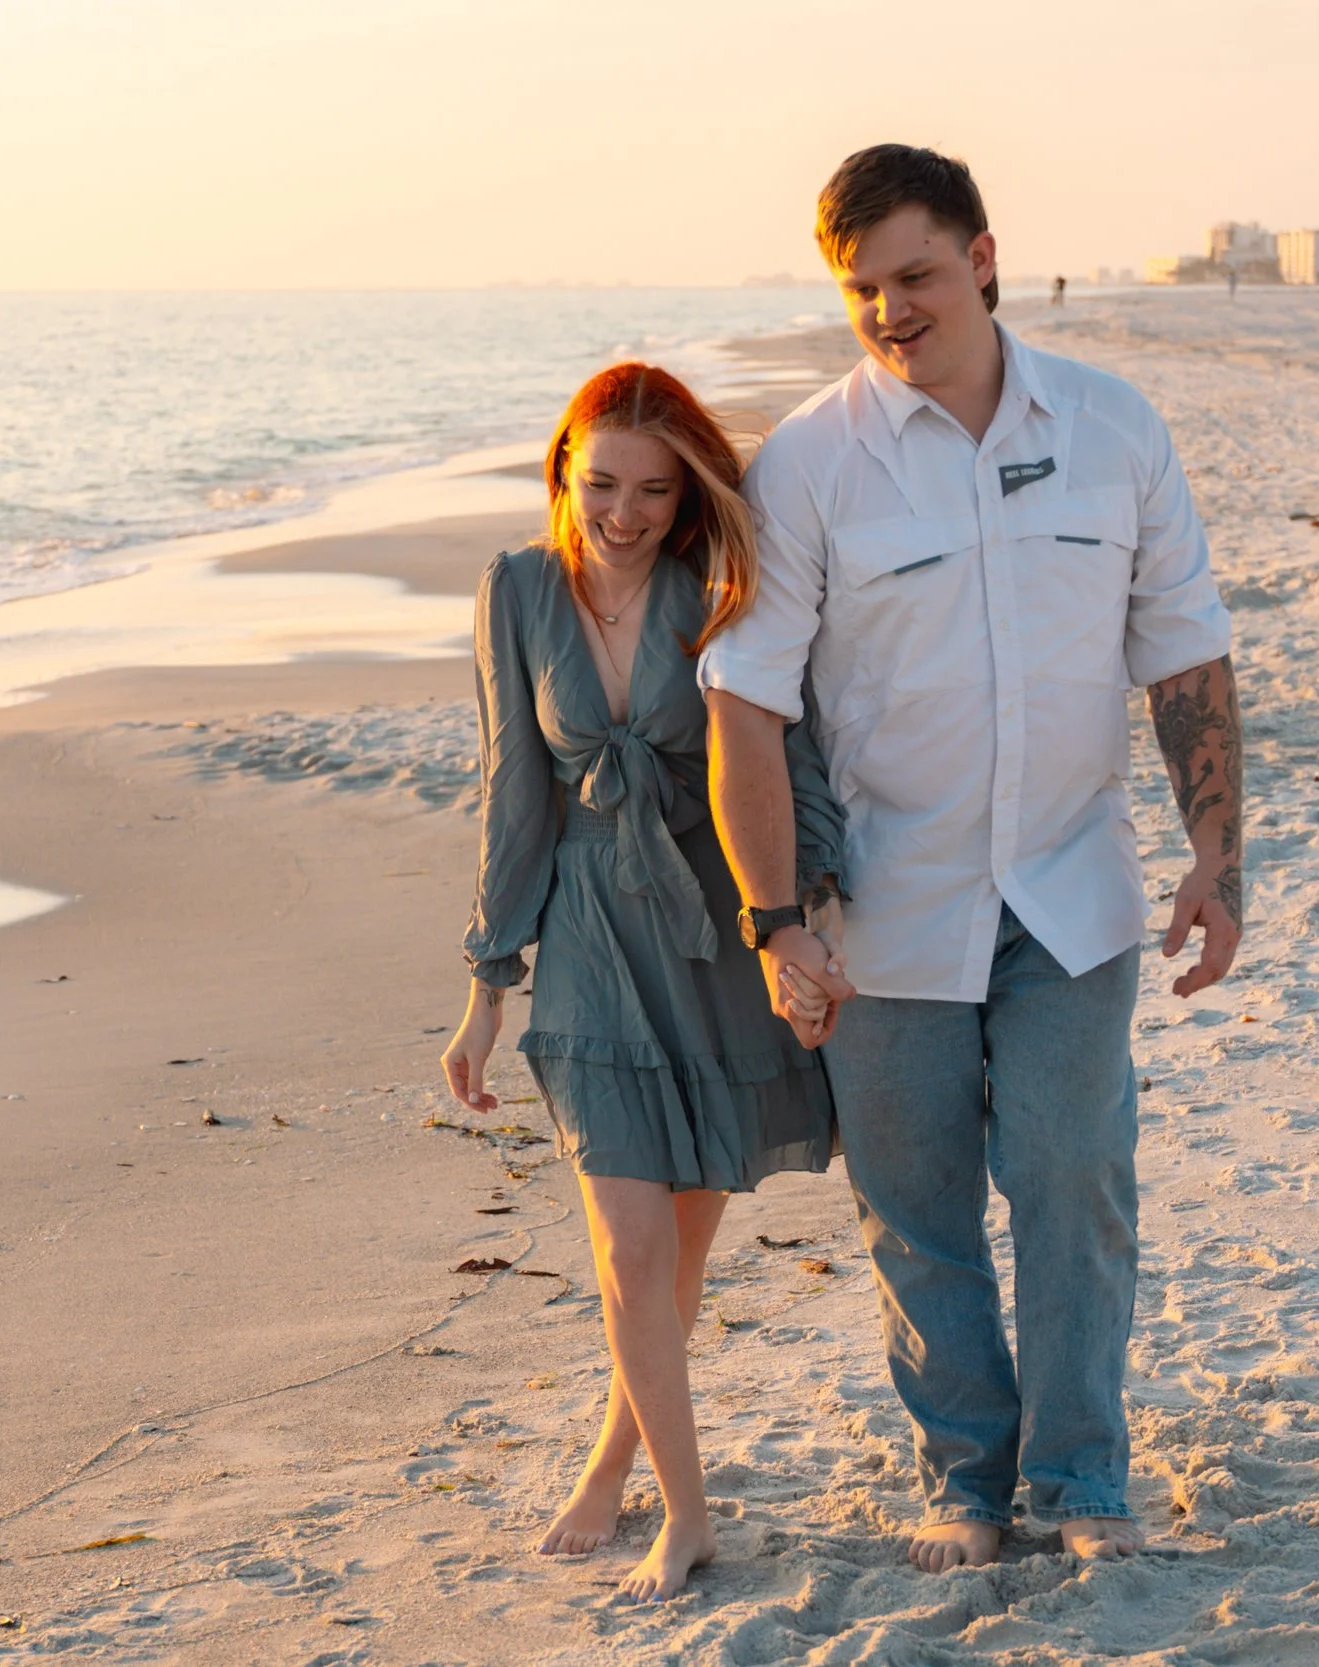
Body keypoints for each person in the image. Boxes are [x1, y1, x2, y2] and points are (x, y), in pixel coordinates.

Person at [699, 145, 1243, 1573]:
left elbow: (1183, 642)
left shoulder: (1114, 426)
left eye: (916, 275)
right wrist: (773, 922)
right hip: (885, 904)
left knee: (1076, 1175)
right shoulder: (810, 462)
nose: (889, 309)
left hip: (1072, 888)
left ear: (987, 257)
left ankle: (1080, 1479)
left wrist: (1217, 855)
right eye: (860, 287)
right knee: (915, 1208)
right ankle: (967, 1479)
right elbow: (745, 700)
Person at [441, 362, 847, 1603]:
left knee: (673, 1257)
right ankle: (688, 1512)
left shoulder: (719, 586)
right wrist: (486, 977)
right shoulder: (516, 589)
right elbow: (514, 782)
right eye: (600, 481)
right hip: (586, 941)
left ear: (688, 496)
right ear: (563, 469)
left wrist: (805, 915)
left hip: (714, 930)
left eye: (653, 491)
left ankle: (611, 1461)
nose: (621, 512)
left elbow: (793, 753)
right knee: (625, 1252)